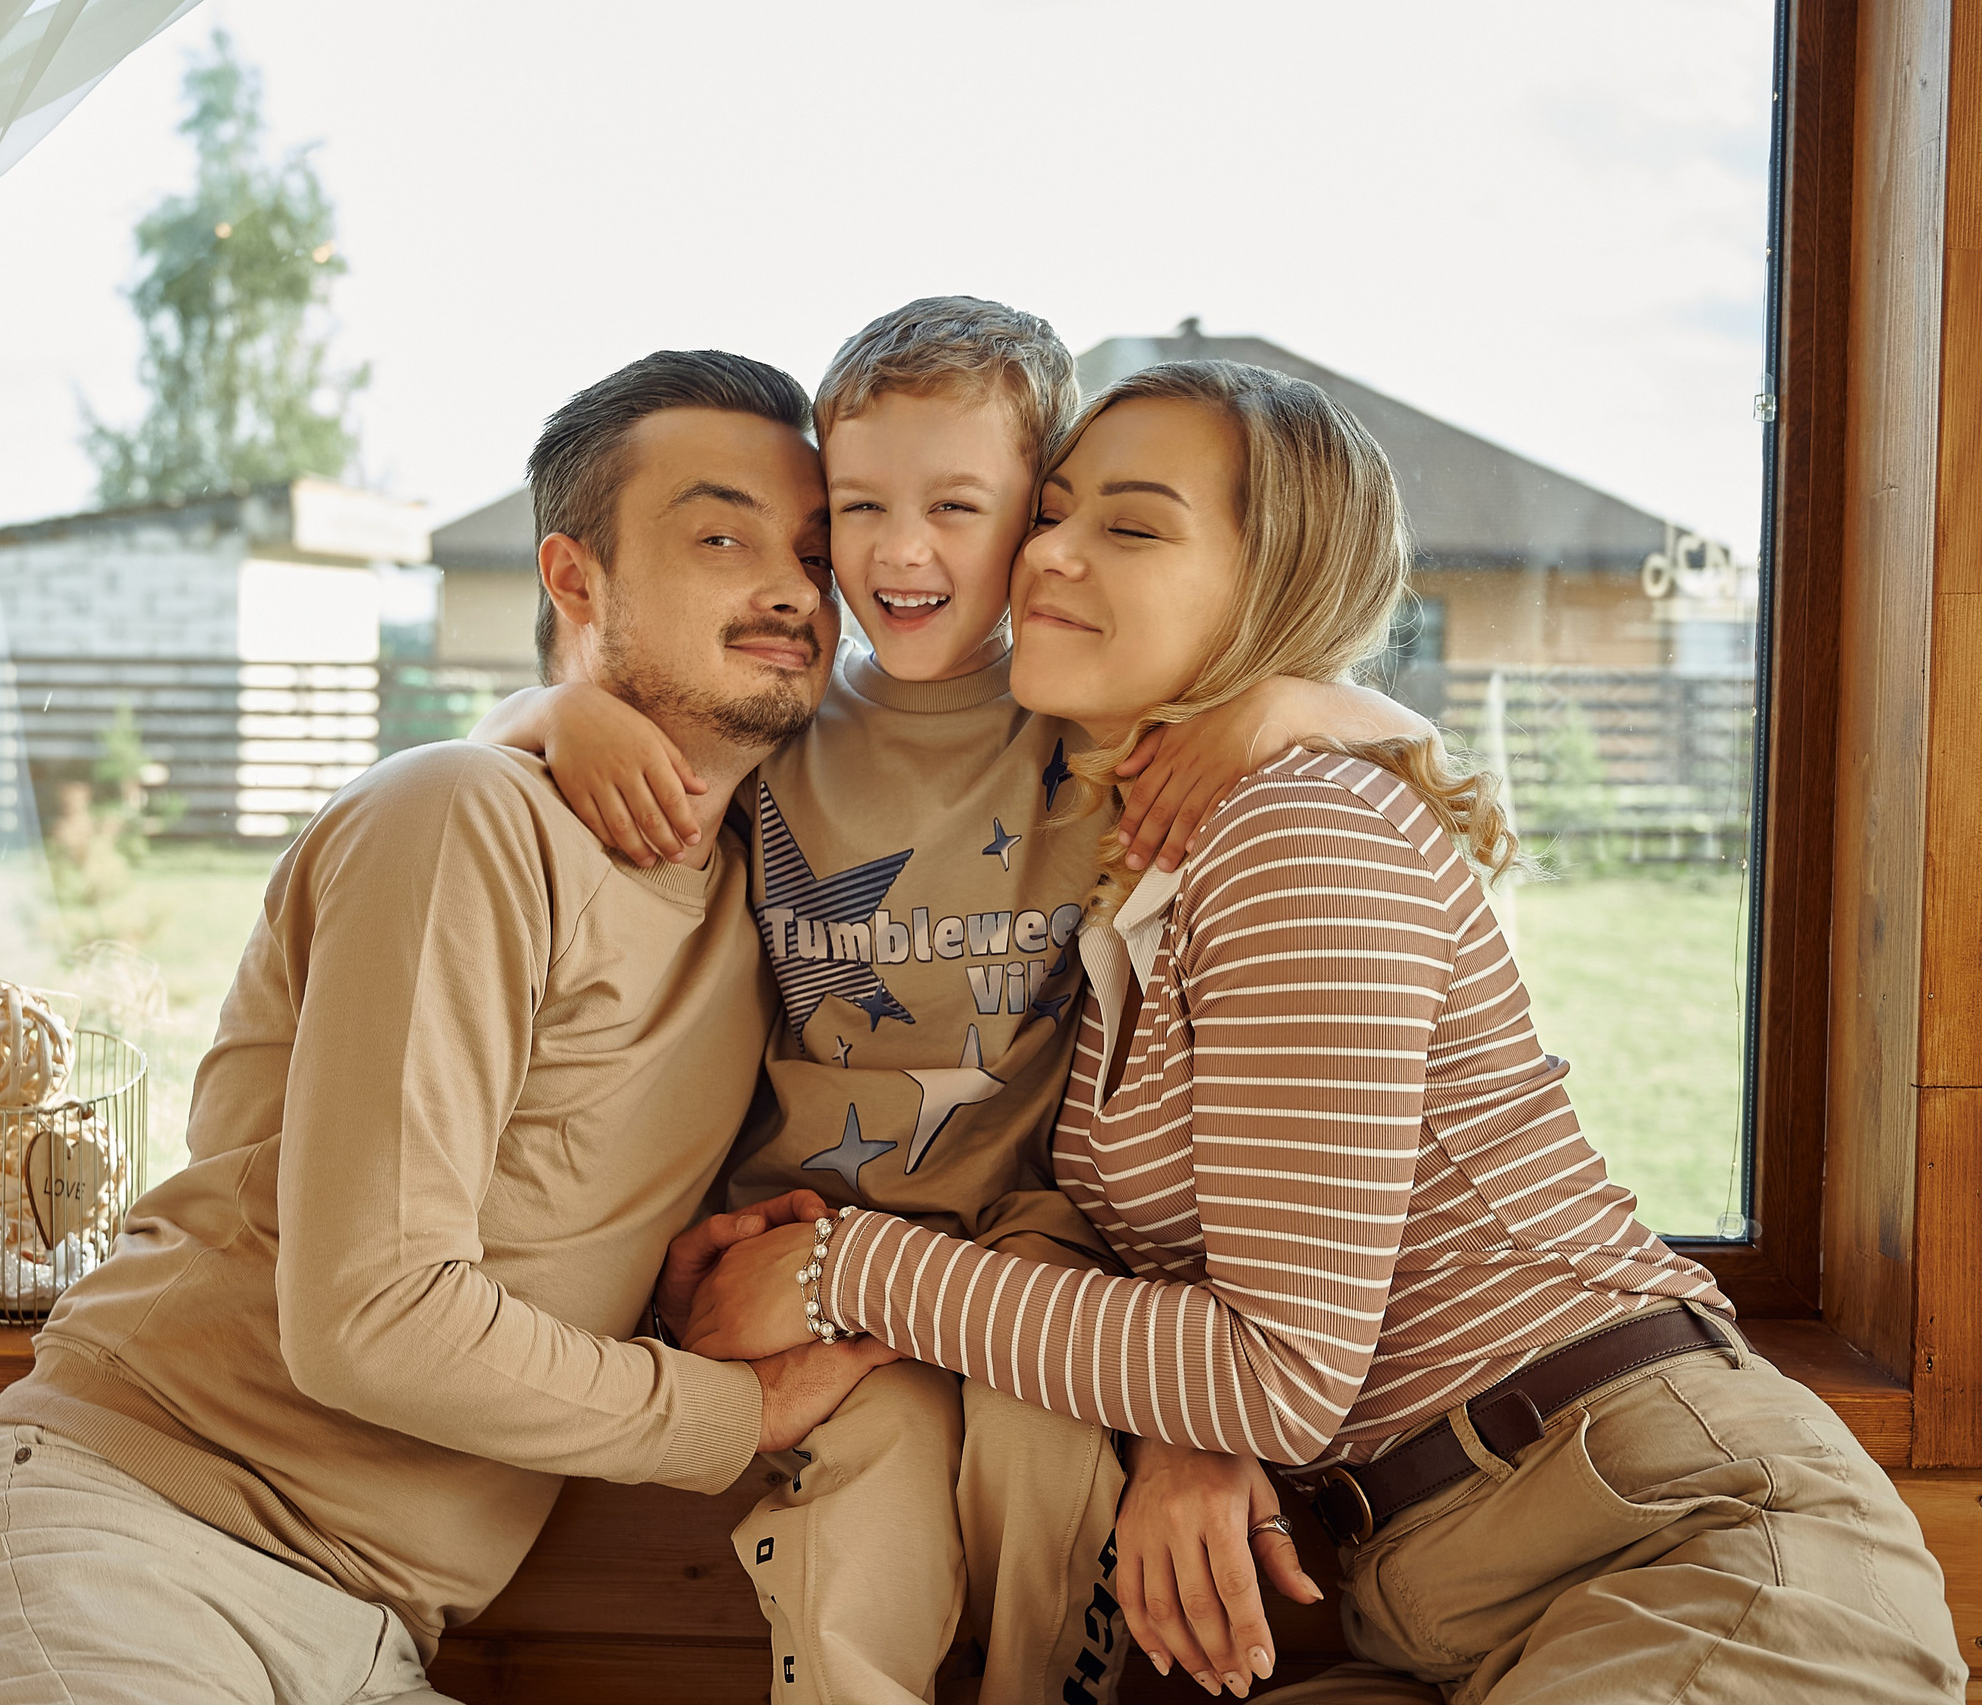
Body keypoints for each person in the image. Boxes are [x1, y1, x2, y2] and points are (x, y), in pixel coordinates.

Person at [688, 359, 1969, 1703]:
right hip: (1442, 1606)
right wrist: (1186, 1424)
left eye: (1129, 526)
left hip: (1680, 1552)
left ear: (1272, 585)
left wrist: (849, 1270)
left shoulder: (1301, 832)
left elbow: (1281, 1374)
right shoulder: (1145, 870)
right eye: (1052, 511)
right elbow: (1257, 1288)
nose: (1047, 552)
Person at [0, 350, 904, 1705]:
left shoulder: (769, 883)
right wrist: (737, 1412)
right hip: (129, 1546)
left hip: (374, 1632)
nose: (788, 584)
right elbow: (369, 1321)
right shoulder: (461, 818)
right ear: (577, 581)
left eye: (818, 551)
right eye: (721, 535)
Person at [481, 299, 1427, 1704]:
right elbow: (496, 749)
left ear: (1033, 521)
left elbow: (1403, 738)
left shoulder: (1089, 724)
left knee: (1051, 1479)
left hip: (1034, 1256)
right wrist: (561, 710)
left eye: (957, 505)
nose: (899, 550)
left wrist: (1266, 705)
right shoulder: (788, 717)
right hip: (808, 1253)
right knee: (865, 1518)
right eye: (859, 505)